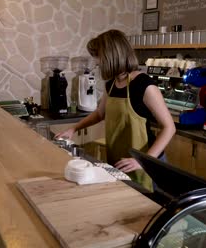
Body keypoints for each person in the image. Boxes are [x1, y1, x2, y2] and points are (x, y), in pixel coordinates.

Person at [55, 29, 175, 192]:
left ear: (111, 56)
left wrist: (143, 161)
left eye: (98, 56)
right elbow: (100, 114)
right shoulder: (111, 85)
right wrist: (74, 129)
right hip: (120, 159)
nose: (96, 62)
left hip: (146, 164)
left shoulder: (143, 84)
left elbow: (169, 127)